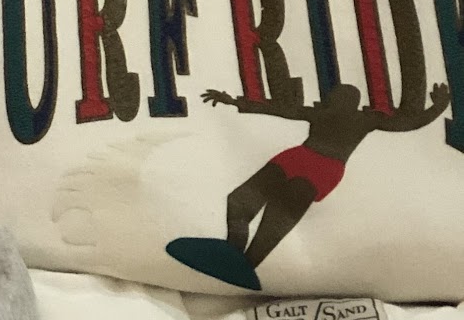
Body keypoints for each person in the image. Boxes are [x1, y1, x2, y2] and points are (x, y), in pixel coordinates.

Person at [166, 80, 450, 289]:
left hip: (321, 169)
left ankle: (246, 266)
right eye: (332, 97)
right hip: (299, 158)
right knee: (241, 200)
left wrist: (437, 108)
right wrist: (235, 102)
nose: (332, 101)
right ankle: (232, 254)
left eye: (338, 97)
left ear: (350, 101)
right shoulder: (333, 113)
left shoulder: (364, 119)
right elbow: (281, 110)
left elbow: (406, 123)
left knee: (278, 216)